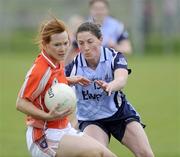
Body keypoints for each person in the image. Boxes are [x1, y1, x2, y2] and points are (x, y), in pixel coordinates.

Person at [16, 17, 118, 157]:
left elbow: (52, 84)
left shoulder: (57, 61)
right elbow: (21, 102)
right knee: (95, 153)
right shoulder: (39, 70)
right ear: (45, 45)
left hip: (64, 128)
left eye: (65, 43)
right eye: (57, 45)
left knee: (107, 154)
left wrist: (69, 80)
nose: (63, 49)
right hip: (44, 135)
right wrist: (46, 116)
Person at [65, 22, 154, 157]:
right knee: (98, 155)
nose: (86, 47)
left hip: (119, 114)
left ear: (100, 40)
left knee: (145, 154)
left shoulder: (114, 57)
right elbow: (56, 82)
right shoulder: (75, 66)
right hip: (91, 119)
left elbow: (121, 79)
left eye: (90, 41)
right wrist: (70, 80)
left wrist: (110, 86)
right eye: (81, 43)